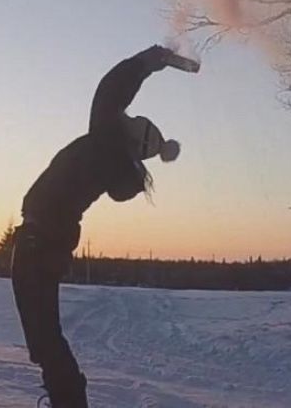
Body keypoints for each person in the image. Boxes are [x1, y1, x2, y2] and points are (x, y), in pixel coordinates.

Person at [11, 45, 186, 408]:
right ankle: (67, 399)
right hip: (46, 243)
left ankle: (70, 401)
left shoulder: (106, 140)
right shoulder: (114, 158)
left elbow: (110, 89)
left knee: (44, 340)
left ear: (131, 132)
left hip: (39, 242)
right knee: (45, 339)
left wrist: (147, 62)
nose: (125, 115)